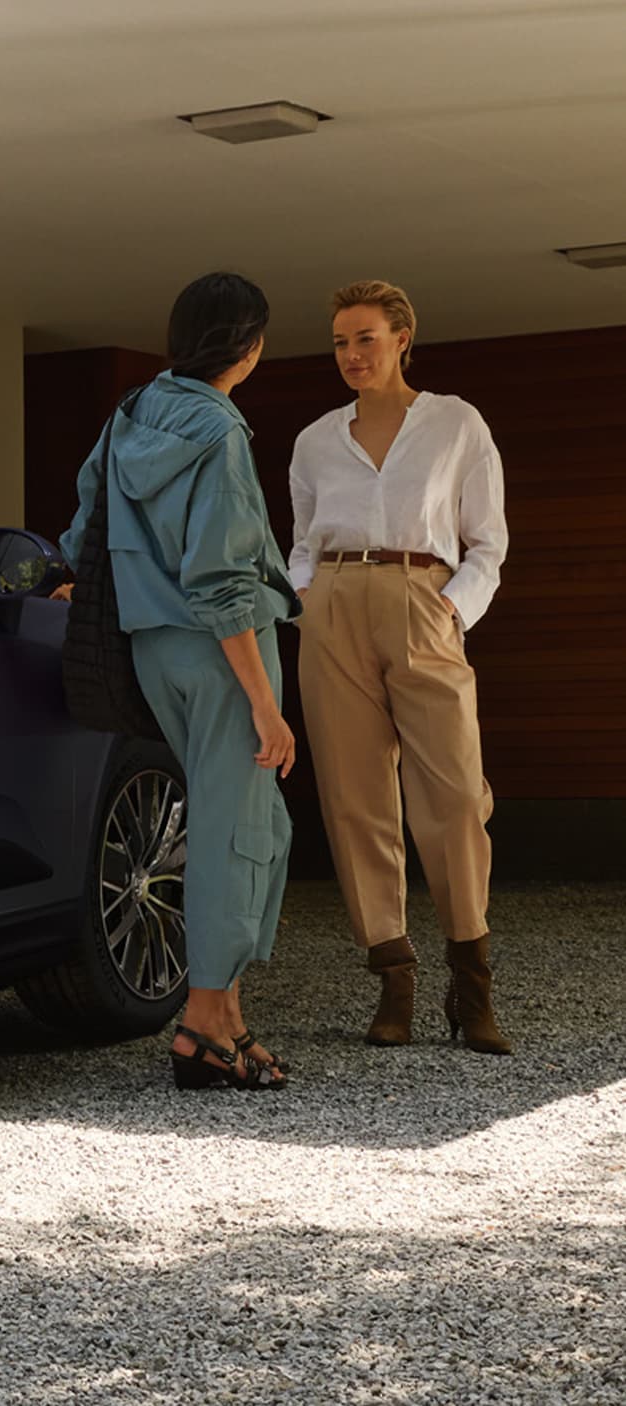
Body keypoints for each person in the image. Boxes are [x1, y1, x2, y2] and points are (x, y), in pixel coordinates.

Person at [58, 271, 301, 1090]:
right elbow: (224, 581)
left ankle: (226, 1016)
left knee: (249, 822)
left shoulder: (133, 411)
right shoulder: (220, 433)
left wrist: (78, 583)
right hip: (224, 650)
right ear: (249, 347)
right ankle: (200, 1026)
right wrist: (265, 704)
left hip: (153, 647)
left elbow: (86, 521)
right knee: (237, 833)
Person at [286, 280, 511, 1055]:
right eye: (341, 342)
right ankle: (395, 978)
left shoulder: (455, 423)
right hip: (334, 606)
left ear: (402, 339)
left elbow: (488, 542)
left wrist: (452, 608)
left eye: (366, 338)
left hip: (423, 596)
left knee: (455, 794)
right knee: (354, 796)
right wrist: (305, 595)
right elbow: (302, 541)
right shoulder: (316, 440)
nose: (351, 354)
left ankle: (471, 981)